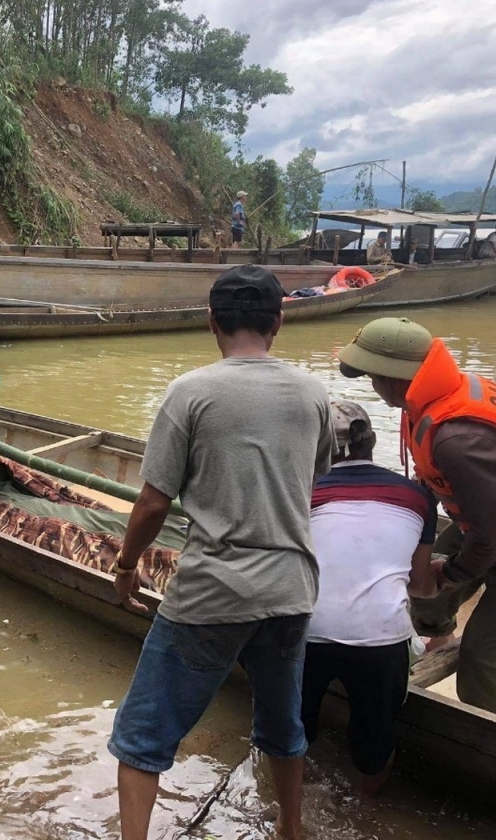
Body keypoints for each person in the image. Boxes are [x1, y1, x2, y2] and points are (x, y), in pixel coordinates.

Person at [109, 265, 333, 840]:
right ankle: (291, 831)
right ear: (278, 323)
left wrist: (127, 564)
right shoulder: (313, 393)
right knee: (283, 726)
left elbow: (154, 503)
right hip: (291, 589)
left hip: (213, 591)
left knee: (141, 736)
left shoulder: (191, 392)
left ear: (211, 322)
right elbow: (312, 481)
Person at [337, 317, 496, 721]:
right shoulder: (435, 395)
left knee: (483, 653)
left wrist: (449, 573)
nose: (371, 384)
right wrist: (424, 565)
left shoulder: (458, 441)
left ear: (392, 379)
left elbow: (494, 534)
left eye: (372, 375)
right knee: (418, 586)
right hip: (493, 521)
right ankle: (439, 636)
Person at [300, 400, 436, 796]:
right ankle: (365, 807)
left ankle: (289, 809)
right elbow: (419, 584)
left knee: (290, 728)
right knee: (375, 741)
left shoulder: (300, 493)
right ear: (371, 442)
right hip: (380, 638)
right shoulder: (419, 497)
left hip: (309, 630)